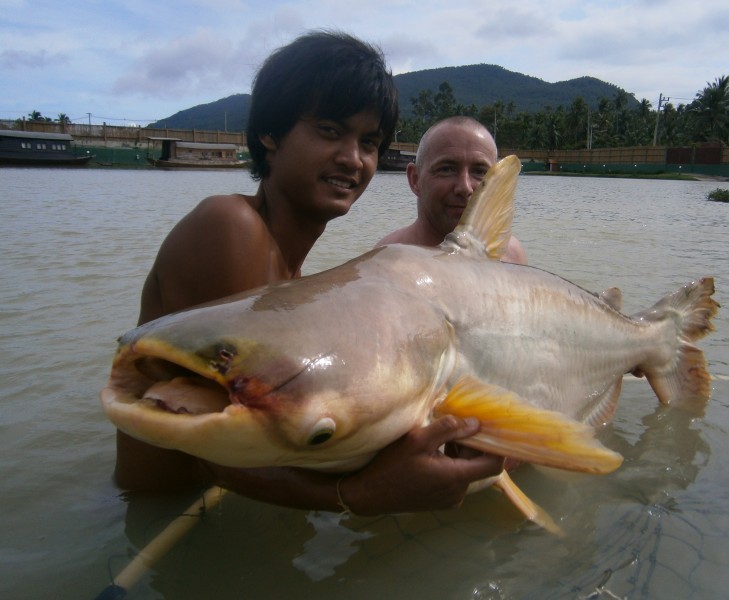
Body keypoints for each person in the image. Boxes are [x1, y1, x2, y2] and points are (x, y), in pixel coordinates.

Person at [114, 31, 505, 516]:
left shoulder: (293, 269)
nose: (352, 159)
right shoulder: (230, 228)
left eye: (369, 142)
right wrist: (359, 496)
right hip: (167, 517)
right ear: (270, 134)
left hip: (227, 510)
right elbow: (218, 450)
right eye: (329, 130)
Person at [375, 116, 528, 265]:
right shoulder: (385, 262)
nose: (465, 187)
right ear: (415, 179)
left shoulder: (511, 256)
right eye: (447, 169)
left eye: (480, 172)